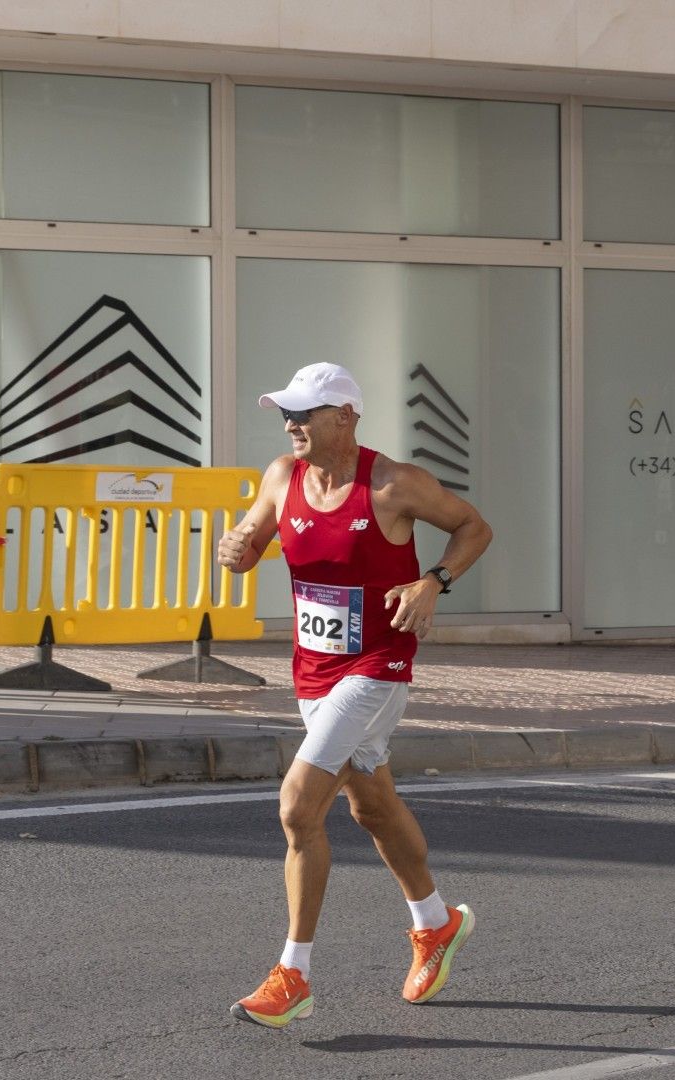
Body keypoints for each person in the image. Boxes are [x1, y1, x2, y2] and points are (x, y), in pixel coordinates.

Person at [217, 362, 492, 1029]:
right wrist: (237, 549)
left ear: (344, 416)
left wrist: (433, 581)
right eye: (285, 413)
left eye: (303, 413)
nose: (290, 425)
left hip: (377, 662)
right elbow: (253, 539)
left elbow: (473, 528)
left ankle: (294, 976)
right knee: (371, 807)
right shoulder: (281, 475)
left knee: (296, 807)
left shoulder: (395, 484)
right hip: (313, 670)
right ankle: (436, 923)